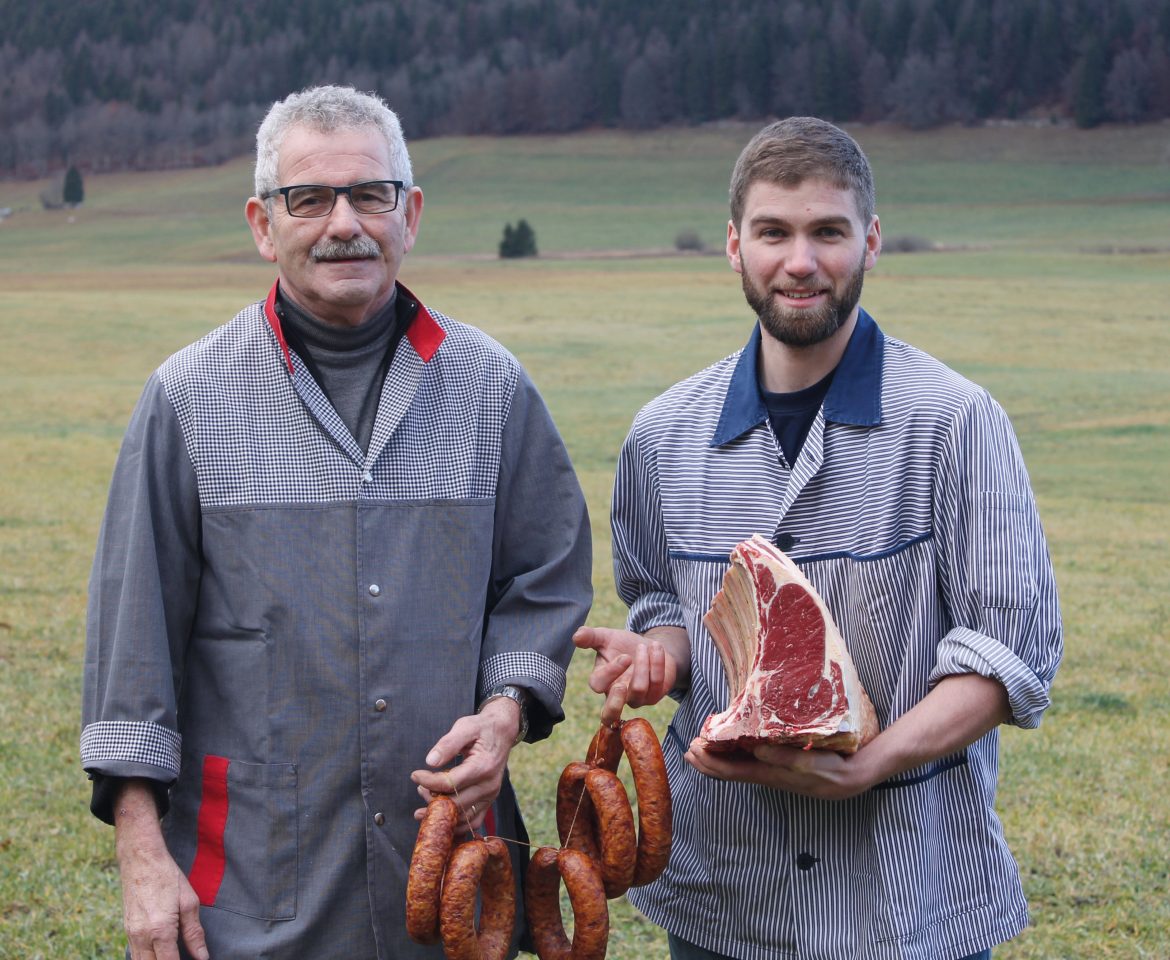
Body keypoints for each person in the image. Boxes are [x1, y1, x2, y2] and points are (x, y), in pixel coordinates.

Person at [80, 85, 591, 960]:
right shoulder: (188, 399)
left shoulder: (491, 387)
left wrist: (507, 708)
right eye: (307, 199)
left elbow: (544, 577)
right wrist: (141, 858)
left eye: (369, 194)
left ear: (411, 212)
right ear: (260, 222)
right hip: (251, 888)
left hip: (457, 877)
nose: (342, 223)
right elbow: (133, 656)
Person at [574, 117, 1062, 960]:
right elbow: (661, 601)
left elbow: (1013, 651)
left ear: (869, 239)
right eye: (773, 232)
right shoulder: (662, 435)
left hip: (909, 903)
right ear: (734, 246)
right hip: (723, 898)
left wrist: (873, 761)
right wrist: (662, 653)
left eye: (827, 231)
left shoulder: (955, 422)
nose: (800, 261)